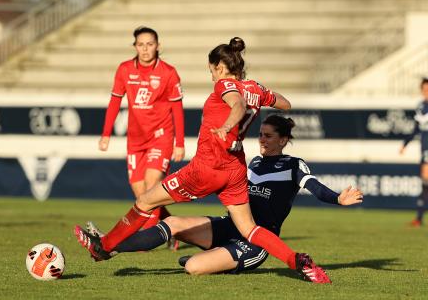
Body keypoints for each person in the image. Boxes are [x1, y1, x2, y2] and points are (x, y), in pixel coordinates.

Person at [74, 37, 331, 283]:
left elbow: (238, 104)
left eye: (212, 69)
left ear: (220, 67)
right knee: (248, 228)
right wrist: (261, 95)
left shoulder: (225, 85)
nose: (212, 75)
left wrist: (228, 124)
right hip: (235, 168)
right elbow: (284, 104)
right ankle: (297, 260)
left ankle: (103, 246)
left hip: (208, 167)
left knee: (145, 200)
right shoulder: (255, 88)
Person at [85, 114, 363, 277]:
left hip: (256, 242)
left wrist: (337, 198)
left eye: (268, 136)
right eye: (261, 135)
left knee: (192, 268)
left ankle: (215, 258)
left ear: (283, 139)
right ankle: (109, 247)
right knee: (173, 224)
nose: (262, 140)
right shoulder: (252, 163)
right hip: (229, 226)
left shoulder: (293, 165)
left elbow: (314, 187)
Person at [99, 26, 185, 233]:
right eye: (140, 45)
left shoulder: (168, 73)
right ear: (135, 46)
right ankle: (173, 229)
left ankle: (146, 238)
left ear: (158, 46)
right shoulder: (125, 69)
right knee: (142, 196)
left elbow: (177, 109)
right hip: (136, 140)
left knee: (151, 186)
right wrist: (106, 135)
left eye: (150, 44)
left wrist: (179, 143)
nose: (145, 49)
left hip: (161, 137)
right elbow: (114, 102)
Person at [400, 77, 428, 227]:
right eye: (424, 89)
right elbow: (416, 129)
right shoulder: (421, 107)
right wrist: (405, 143)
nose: (426, 92)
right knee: (425, 184)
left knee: (425, 181)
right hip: (424, 148)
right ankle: (419, 218)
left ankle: (419, 217)